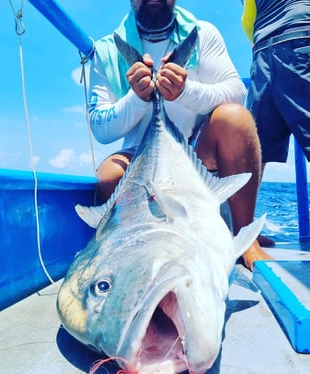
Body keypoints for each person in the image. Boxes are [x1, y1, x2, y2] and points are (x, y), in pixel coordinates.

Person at [88, 0, 271, 270]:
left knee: (235, 118)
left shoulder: (202, 33)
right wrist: (137, 98)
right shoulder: (106, 50)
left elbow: (236, 92)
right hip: (139, 156)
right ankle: (139, 243)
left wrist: (186, 91)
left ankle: (244, 237)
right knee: (109, 176)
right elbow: (100, 127)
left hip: (197, 154)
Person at [241, 0, 310, 172]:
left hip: (263, 52)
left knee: (254, 153)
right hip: (300, 38)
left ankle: (241, 199)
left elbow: (248, 21)